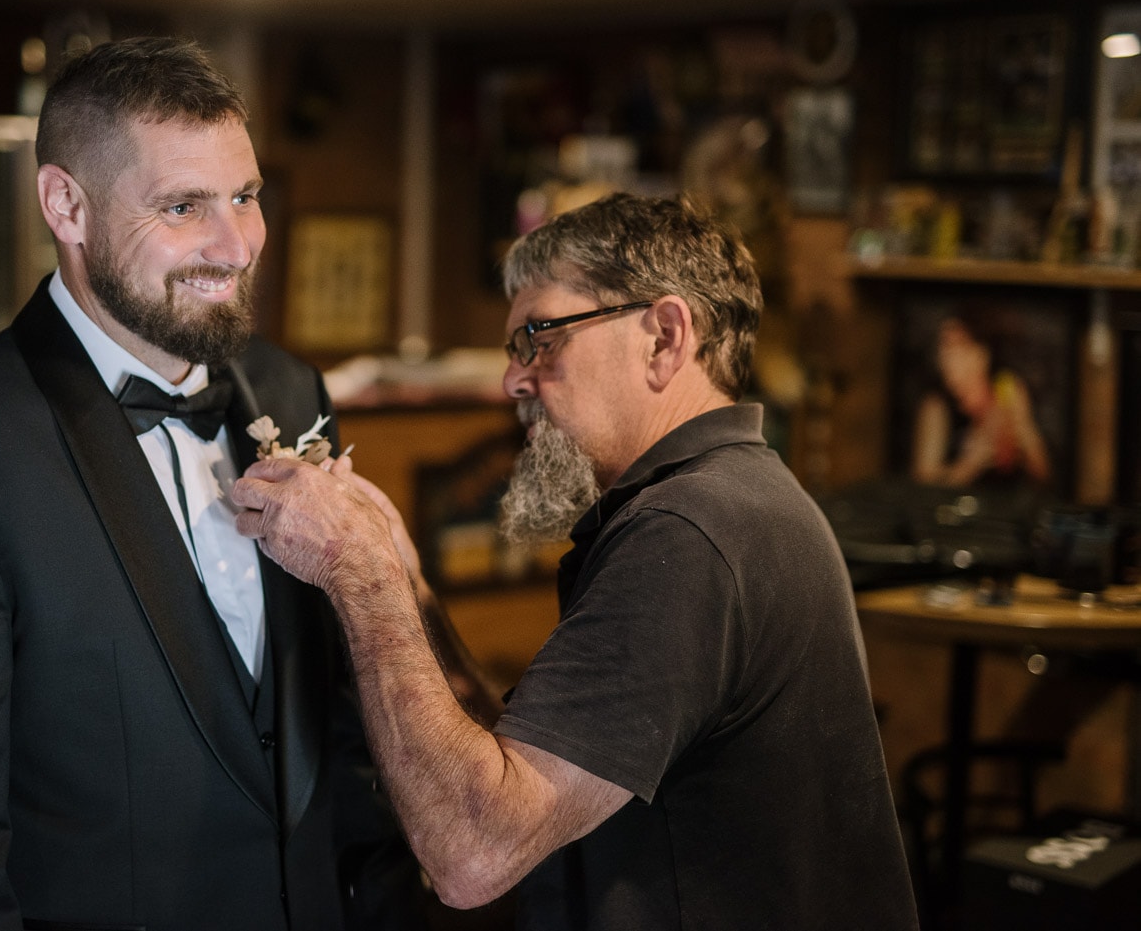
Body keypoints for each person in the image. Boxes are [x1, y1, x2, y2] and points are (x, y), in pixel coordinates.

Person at [0, 36, 426, 931]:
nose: (238, 244)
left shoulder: (294, 391)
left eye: (247, 196)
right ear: (66, 204)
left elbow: (340, 735)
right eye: (184, 206)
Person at [234, 194, 920, 930]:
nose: (514, 381)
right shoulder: (735, 498)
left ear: (663, 336)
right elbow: (544, 776)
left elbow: (474, 851)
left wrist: (359, 572)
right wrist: (409, 587)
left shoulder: (688, 533)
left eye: (540, 335)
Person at [911, 311, 1051, 489]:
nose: (946, 357)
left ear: (982, 354)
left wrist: (1023, 429)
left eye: (958, 347)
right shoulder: (936, 405)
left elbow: (1043, 477)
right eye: (943, 347)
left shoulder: (1005, 390)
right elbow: (923, 488)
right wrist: (971, 463)